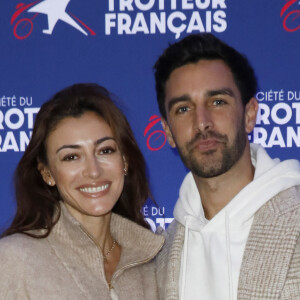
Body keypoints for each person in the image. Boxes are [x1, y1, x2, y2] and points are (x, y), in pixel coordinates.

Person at [153, 33, 300, 300]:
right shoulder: (161, 255)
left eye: (218, 102)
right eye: (183, 109)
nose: (202, 122)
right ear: (168, 132)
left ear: (249, 114)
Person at [0, 83, 164, 300]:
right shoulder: (14, 260)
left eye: (105, 150)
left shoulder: (154, 263)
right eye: (71, 157)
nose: (93, 171)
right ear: (47, 173)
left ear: (124, 161)